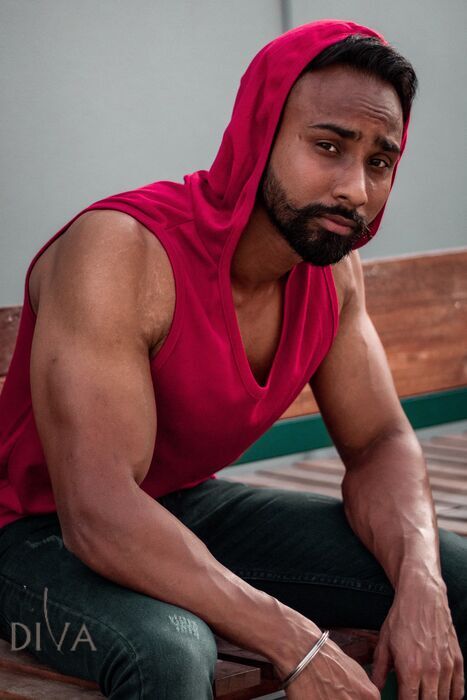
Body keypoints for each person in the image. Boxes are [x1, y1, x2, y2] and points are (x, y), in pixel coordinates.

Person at [0, 18, 465, 700]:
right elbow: (96, 511)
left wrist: (421, 582)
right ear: (258, 133)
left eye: (378, 162)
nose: (355, 190)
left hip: (180, 508)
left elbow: (378, 442)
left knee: (453, 574)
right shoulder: (121, 252)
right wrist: (298, 643)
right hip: (32, 537)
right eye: (328, 146)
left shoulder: (330, 272)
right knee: (170, 652)